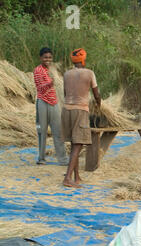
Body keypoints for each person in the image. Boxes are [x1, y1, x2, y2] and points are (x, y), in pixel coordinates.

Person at [61, 48, 101, 188]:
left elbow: (65, 93)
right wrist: (99, 105)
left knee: (73, 143)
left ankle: (76, 177)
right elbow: (96, 94)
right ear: (83, 60)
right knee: (78, 144)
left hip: (66, 110)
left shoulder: (66, 74)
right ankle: (67, 178)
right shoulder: (89, 73)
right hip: (80, 110)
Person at [33, 47, 68, 165]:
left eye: (49, 57)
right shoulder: (38, 70)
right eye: (45, 57)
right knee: (41, 131)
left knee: (58, 131)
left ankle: (62, 159)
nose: (47, 59)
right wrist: (51, 82)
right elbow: (40, 88)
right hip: (42, 103)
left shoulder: (53, 70)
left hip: (54, 103)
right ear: (40, 58)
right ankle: (41, 158)